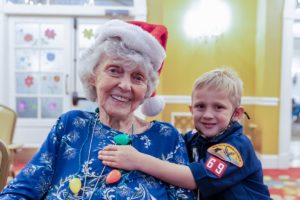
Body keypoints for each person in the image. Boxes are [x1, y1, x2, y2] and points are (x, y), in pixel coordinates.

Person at [0, 19, 195, 199]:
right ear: (93, 76)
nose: (125, 85)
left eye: (137, 77)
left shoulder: (166, 137)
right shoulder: (71, 125)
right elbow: (21, 190)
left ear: (147, 89)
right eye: (114, 70)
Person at [99, 68, 271, 199]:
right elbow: (166, 147)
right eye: (200, 106)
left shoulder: (235, 148)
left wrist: (137, 160)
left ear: (237, 114)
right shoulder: (195, 139)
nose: (208, 114)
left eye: (219, 107)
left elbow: (193, 179)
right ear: (191, 109)